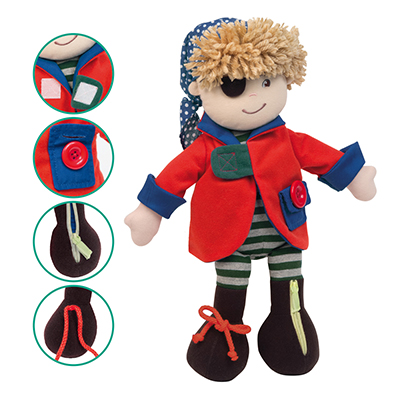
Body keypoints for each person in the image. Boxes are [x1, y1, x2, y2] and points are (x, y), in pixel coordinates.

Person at [125, 17, 376, 381]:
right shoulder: (205, 147)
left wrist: (353, 176)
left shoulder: (284, 138)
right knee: (230, 291)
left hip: (284, 232)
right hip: (229, 240)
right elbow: (175, 175)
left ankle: (289, 322)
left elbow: (319, 155)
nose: (256, 96)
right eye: (234, 86)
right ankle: (226, 331)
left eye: (267, 81)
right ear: (202, 88)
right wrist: (150, 211)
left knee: (290, 288)